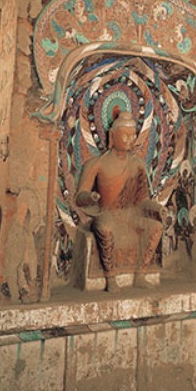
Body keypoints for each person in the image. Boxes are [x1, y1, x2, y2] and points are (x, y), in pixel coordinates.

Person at [75, 111, 165, 292]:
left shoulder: (137, 164)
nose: (131, 140)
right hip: (106, 214)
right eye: (125, 135)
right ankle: (111, 277)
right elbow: (79, 197)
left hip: (130, 216)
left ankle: (140, 274)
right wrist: (90, 197)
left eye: (133, 136)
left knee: (156, 227)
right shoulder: (97, 164)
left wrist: (157, 209)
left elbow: (142, 200)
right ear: (112, 136)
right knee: (105, 228)